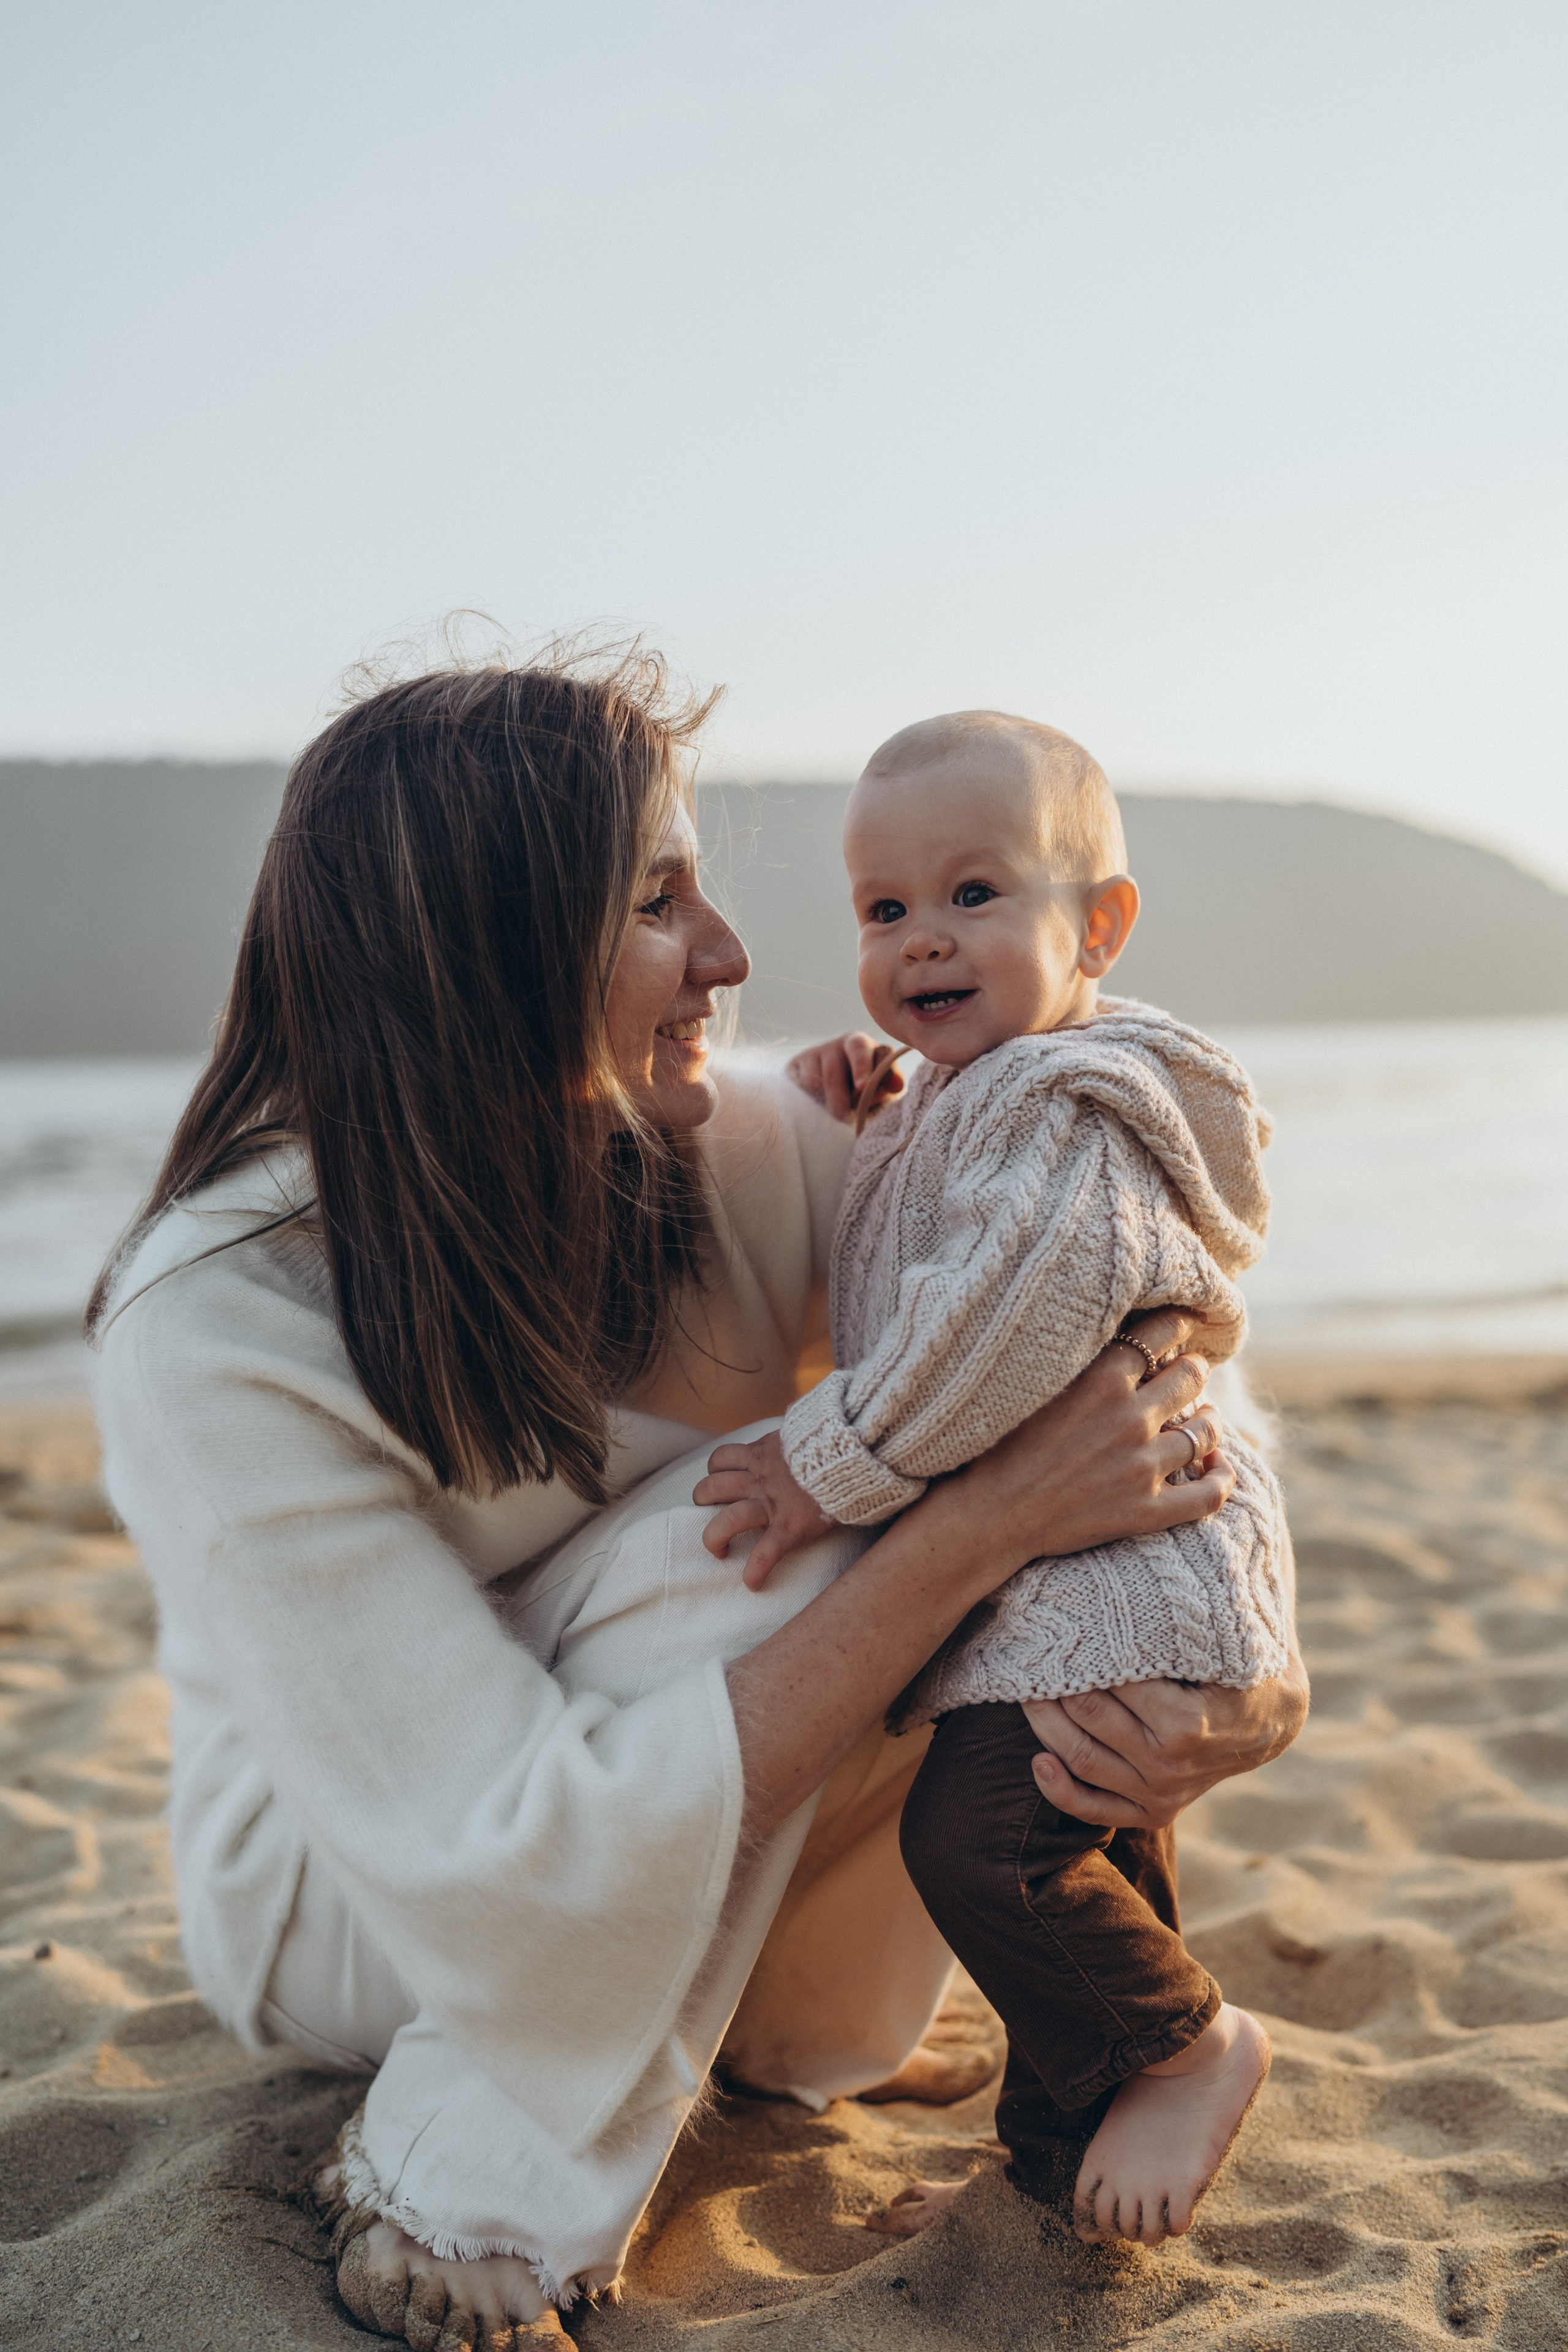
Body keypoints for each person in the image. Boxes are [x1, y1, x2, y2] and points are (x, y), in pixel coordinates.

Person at [89, 650, 1307, 2348]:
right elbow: (503, 1853)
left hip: (735, 1878)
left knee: (928, 1488)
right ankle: (471, 2188)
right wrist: (982, 1525)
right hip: (373, 1899)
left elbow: (1104, 1306)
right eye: (662, 901)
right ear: (492, 952)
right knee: (795, 1527)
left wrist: (1237, 1668)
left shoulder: (731, 1149)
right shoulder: (217, 1321)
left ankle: (980, 2036)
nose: (734, 957)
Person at [698, 710, 1293, 2247]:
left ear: (1094, 924)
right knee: (1094, 1843)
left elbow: (994, 1318)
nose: (921, 942)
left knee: (980, 1851)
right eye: (883, 912)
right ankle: (1052, 2177)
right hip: (1092, 1577)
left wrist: (829, 1464)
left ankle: (1186, 2042)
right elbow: (911, 1250)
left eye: (973, 896)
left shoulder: (1059, 1107)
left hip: (1114, 1567)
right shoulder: (973, 1092)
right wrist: (870, 1111)